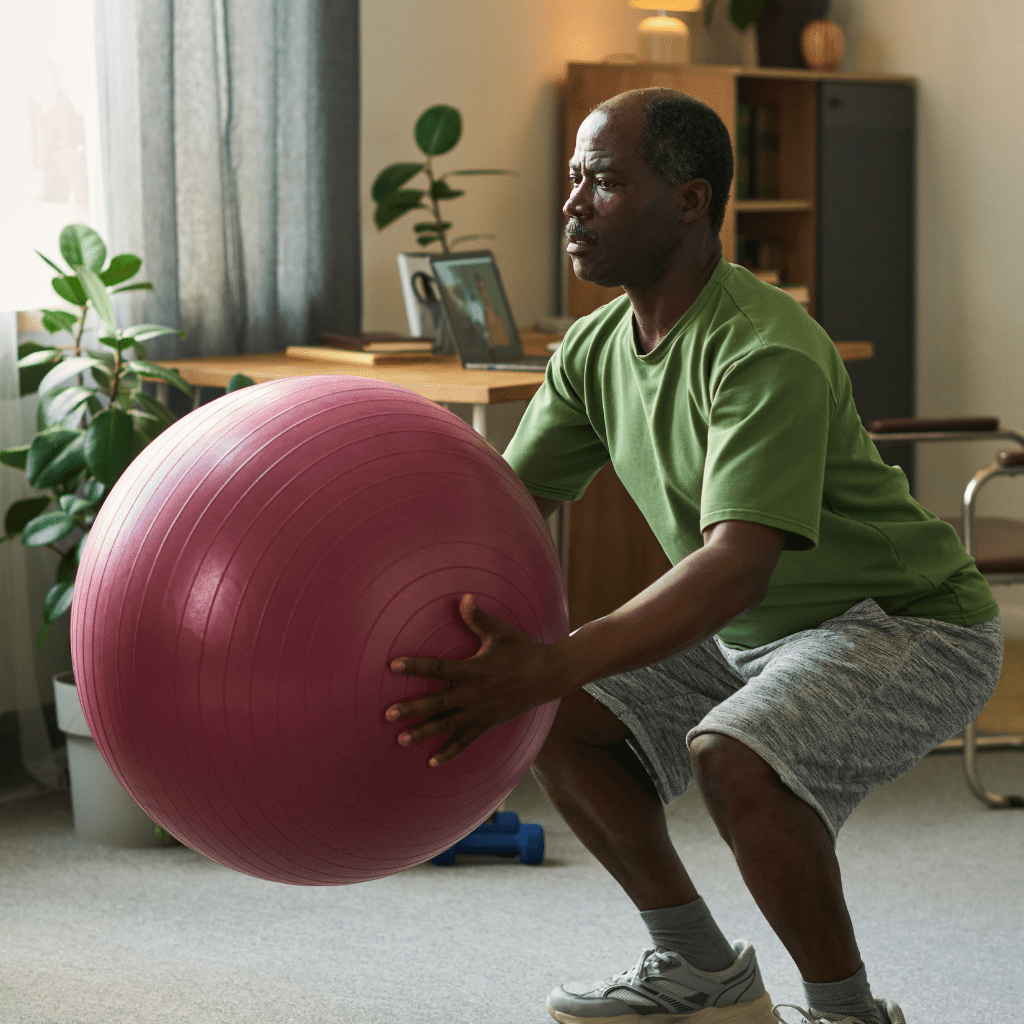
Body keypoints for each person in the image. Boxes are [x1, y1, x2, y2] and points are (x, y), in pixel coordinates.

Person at [385, 88, 1003, 1024]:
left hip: (907, 623)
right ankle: (700, 969)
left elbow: (736, 565)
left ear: (688, 199)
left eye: (604, 181)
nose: (573, 204)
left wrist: (555, 655)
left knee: (736, 757)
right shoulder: (593, 351)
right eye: (573, 179)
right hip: (752, 631)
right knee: (547, 708)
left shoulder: (763, 349)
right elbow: (505, 509)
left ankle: (846, 1015)